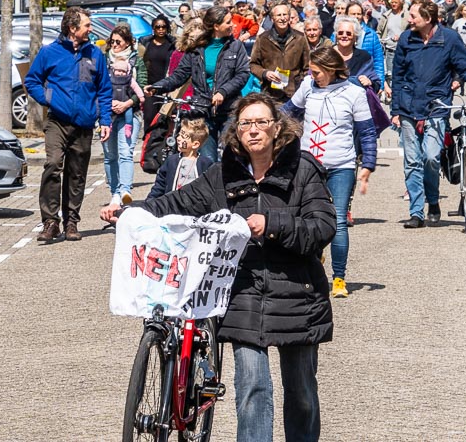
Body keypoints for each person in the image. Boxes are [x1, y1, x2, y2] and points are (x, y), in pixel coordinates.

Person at [102, 94, 335, 442]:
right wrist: (131, 212)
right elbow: (177, 202)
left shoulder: (303, 170)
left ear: (277, 127)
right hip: (242, 296)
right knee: (252, 389)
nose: (253, 130)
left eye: (261, 122)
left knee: (301, 394)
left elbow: (322, 227)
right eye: (245, 124)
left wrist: (271, 224)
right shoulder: (221, 174)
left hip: (297, 296)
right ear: (235, 131)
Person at [391, 0, 466, 228]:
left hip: (436, 107)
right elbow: (397, 76)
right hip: (409, 108)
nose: (409, 20)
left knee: (430, 157)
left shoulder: (449, 39)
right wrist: (396, 110)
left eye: (413, 16)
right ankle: (416, 213)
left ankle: (433, 201)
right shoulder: (406, 39)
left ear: (428, 19)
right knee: (412, 161)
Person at [283, 47, 377, 299]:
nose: (313, 76)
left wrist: (368, 163)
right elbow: (287, 112)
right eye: (311, 72)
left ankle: (338, 278)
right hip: (308, 165)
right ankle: (309, 270)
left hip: (341, 165)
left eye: (317, 72)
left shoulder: (355, 93)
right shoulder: (308, 86)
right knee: (306, 219)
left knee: (337, 221)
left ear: (331, 68)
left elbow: (367, 132)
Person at [25, 7, 113, 242]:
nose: (90, 28)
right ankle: (50, 222)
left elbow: (104, 90)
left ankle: (71, 221)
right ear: (73, 29)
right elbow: (32, 80)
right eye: (86, 25)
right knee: (53, 164)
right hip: (58, 122)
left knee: (77, 173)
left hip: (84, 123)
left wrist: (104, 120)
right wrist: (48, 98)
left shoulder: (95, 54)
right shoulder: (49, 53)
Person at [146, 6, 251, 162]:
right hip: (203, 110)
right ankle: (212, 186)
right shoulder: (197, 48)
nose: (233, 25)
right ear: (216, 26)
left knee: (232, 157)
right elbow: (179, 75)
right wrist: (158, 86)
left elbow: (243, 74)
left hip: (229, 110)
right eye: (228, 22)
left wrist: (223, 92)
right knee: (207, 160)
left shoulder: (235, 46)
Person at [103, 25, 147, 206]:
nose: (114, 45)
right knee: (109, 155)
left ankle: (125, 190)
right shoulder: (104, 60)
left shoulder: (137, 61)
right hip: (107, 113)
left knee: (126, 153)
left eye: (118, 42)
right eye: (111, 41)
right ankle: (114, 191)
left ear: (128, 42)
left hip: (130, 113)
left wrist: (127, 103)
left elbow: (142, 85)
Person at [249, 4, 310, 102]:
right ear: (272, 19)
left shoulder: (300, 38)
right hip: (271, 94)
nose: (282, 18)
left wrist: (301, 82)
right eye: (279, 15)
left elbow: (307, 66)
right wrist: (265, 73)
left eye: (285, 14)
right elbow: (253, 64)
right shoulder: (262, 39)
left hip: (294, 94)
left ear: (289, 17)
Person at [149, 118, 213, 199]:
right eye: (179, 135)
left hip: (195, 208)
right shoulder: (171, 161)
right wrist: (149, 203)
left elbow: (211, 188)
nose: (178, 138)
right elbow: (159, 185)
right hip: (171, 206)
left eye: (183, 137)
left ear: (195, 144)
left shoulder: (205, 163)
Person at [141, 15, 178, 130]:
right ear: (153, 28)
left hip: (167, 87)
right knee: (149, 118)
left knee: (165, 120)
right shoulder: (146, 43)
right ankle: (148, 144)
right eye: (158, 27)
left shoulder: (172, 44)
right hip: (150, 88)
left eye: (164, 27)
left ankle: (163, 146)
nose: (161, 29)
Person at [343, 2, 386, 84]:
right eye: (353, 14)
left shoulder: (371, 34)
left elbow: (378, 60)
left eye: (358, 14)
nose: (356, 16)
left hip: (366, 78)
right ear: (346, 15)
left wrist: (380, 83)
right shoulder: (339, 33)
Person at [379, 0, 409, 91]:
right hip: (389, 50)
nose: (393, 4)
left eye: (396, 2)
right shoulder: (386, 16)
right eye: (392, 2)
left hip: (404, 50)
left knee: (403, 74)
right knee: (390, 74)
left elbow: (411, 31)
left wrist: (401, 36)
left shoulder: (407, 16)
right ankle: (392, 94)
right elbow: (379, 31)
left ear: (401, 3)